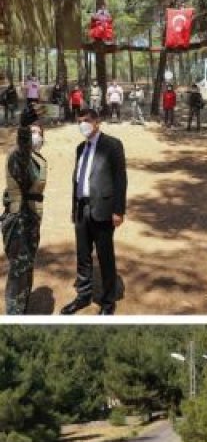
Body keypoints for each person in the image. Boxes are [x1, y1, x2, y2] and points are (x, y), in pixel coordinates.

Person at [62, 109, 128, 315]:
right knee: (83, 256)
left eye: (87, 121)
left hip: (103, 209)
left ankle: (108, 303)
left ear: (97, 123)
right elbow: (77, 180)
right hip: (82, 209)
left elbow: (120, 179)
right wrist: (74, 209)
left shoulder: (112, 145)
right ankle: (83, 296)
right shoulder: (80, 148)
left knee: (105, 256)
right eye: (79, 121)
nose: (83, 125)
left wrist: (118, 210)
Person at [3, 118, 48, 315]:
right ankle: (14, 314)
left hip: (30, 221)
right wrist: (23, 130)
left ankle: (22, 309)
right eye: (31, 132)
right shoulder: (19, 156)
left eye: (38, 132)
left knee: (26, 267)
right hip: (18, 221)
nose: (34, 136)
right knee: (19, 272)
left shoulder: (36, 158)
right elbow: (22, 155)